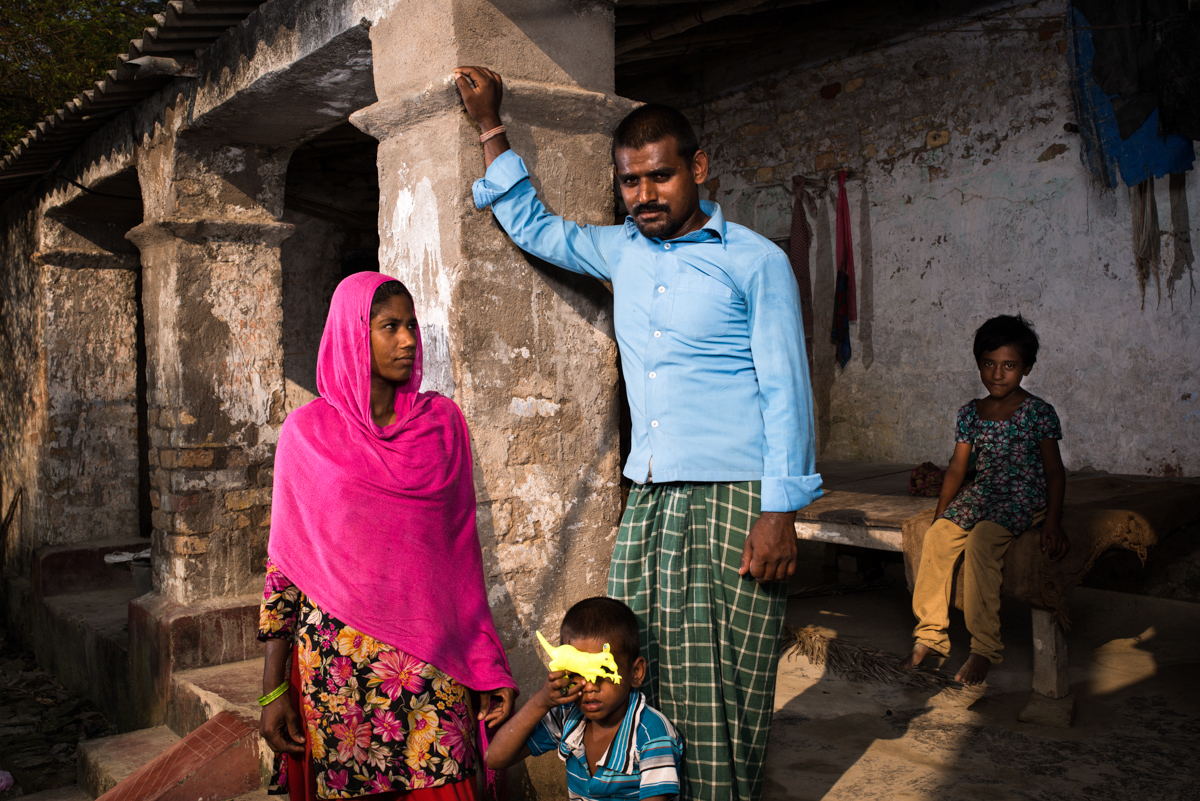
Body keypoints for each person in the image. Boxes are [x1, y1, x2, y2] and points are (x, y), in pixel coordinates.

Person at [453, 66, 822, 801]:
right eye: (630, 182)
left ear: (698, 168)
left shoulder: (755, 261)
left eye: (659, 177)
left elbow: (788, 389)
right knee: (638, 667)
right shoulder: (621, 250)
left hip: (737, 497)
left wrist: (781, 510)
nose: (644, 196)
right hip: (650, 498)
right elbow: (534, 224)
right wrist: (490, 125)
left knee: (727, 679)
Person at [257, 272, 518, 799]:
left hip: (432, 666)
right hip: (339, 675)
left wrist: (485, 664)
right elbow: (285, 567)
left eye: (411, 326)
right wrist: (272, 691)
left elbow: (459, 560)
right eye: (389, 327)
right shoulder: (306, 435)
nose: (406, 340)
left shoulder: (442, 425)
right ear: (354, 333)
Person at [900, 314, 1068, 686]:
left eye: (1009, 365)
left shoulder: (1038, 412)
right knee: (937, 537)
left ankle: (984, 649)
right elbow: (958, 469)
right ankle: (930, 635)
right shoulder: (970, 413)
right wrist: (942, 515)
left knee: (981, 542)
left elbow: (1055, 471)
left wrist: (1053, 521)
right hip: (984, 492)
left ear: (1026, 368)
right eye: (989, 364)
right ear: (979, 364)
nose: (997, 374)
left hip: (1022, 494)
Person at [485, 597, 682, 801]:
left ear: (636, 672)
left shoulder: (652, 735)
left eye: (602, 673)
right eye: (577, 674)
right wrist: (542, 701)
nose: (589, 686)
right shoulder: (567, 716)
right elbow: (495, 758)